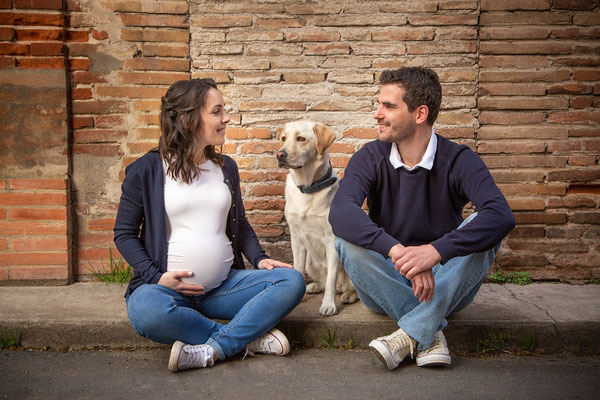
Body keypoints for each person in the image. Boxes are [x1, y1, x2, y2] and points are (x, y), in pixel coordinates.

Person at [328, 67, 515, 370]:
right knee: (346, 243)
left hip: (445, 280)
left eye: (388, 106)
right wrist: (400, 252)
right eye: (379, 104)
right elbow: (341, 213)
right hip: (384, 280)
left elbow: (500, 215)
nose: (377, 114)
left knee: (484, 228)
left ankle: (409, 335)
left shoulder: (458, 159)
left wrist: (435, 252)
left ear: (419, 114)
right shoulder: (370, 157)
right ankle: (429, 329)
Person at [114, 78, 306, 372]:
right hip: (168, 291)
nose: (226, 118)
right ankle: (245, 340)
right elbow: (124, 235)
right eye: (217, 111)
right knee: (145, 310)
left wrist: (260, 258)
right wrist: (156, 277)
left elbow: (239, 223)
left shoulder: (225, 167)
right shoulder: (146, 170)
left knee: (291, 281)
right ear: (189, 118)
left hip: (223, 289)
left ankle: (215, 349)